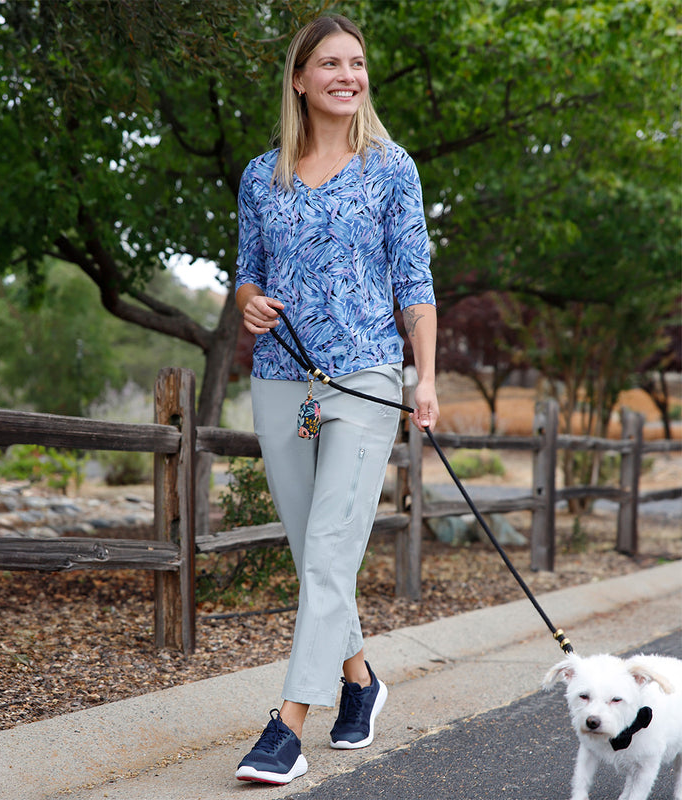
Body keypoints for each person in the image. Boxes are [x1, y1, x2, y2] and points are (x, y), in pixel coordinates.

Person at [233, 13, 439, 785]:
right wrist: (250, 301)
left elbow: (414, 284)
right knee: (310, 550)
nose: (347, 75)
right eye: (329, 64)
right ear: (299, 79)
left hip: (366, 378)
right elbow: (248, 271)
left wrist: (427, 377)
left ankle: (287, 726)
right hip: (281, 379)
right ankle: (361, 680)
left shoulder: (391, 168)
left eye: (356, 63)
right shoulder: (263, 175)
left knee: (328, 549)